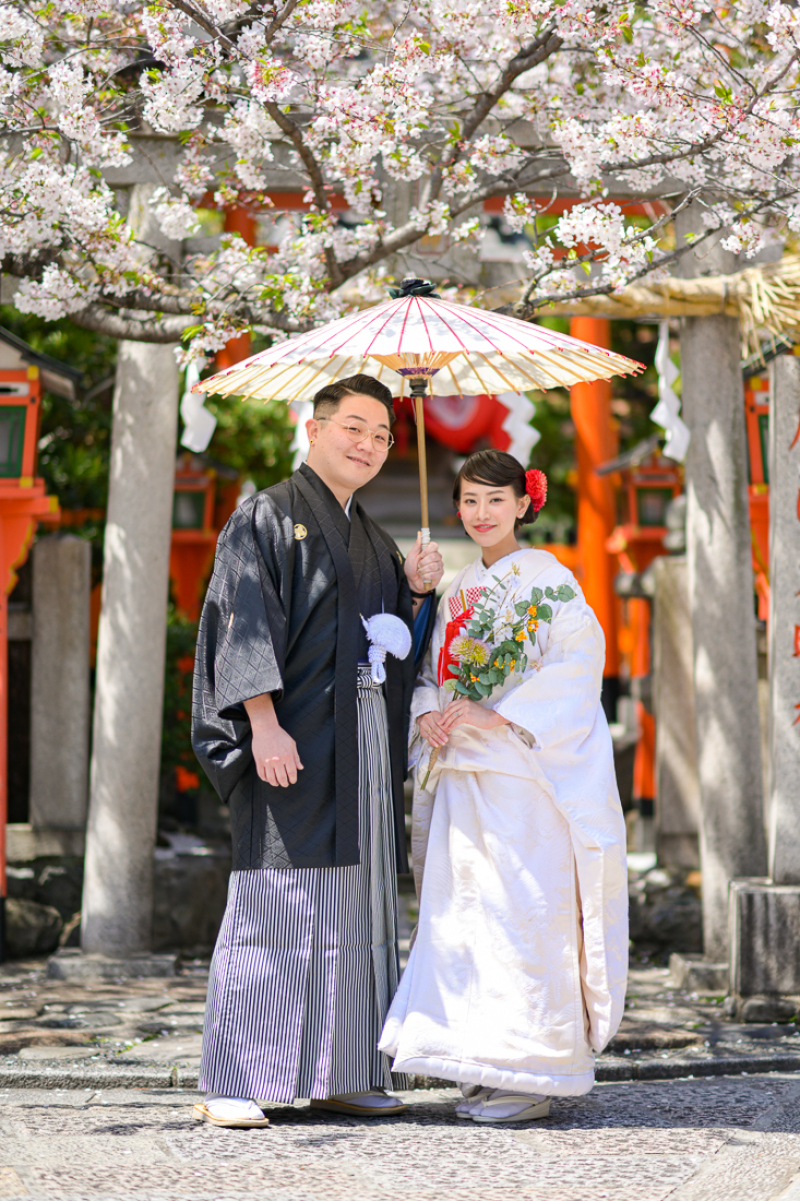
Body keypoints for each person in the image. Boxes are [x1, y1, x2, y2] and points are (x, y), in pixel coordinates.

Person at [191, 374, 444, 1128]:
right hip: (291, 738)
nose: (368, 445)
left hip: (359, 746)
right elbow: (241, 623)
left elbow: (393, 642)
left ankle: (345, 1070)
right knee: (277, 894)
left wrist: (419, 593)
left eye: (382, 437)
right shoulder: (265, 515)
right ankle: (235, 1073)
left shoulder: (370, 535)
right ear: (313, 426)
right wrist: (262, 725)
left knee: (358, 905)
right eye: (354, 428)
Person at [379, 448, 628, 1124]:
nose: (480, 512)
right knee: (465, 922)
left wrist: (501, 710)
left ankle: (534, 1069)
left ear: (524, 503)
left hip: (526, 780)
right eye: (468, 500)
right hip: (464, 778)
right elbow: (429, 667)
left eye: (495, 499)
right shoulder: (456, 585)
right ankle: (481, 1064)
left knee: (525, 917)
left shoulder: (553, 581)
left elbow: (579, 665)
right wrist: (428, 707)